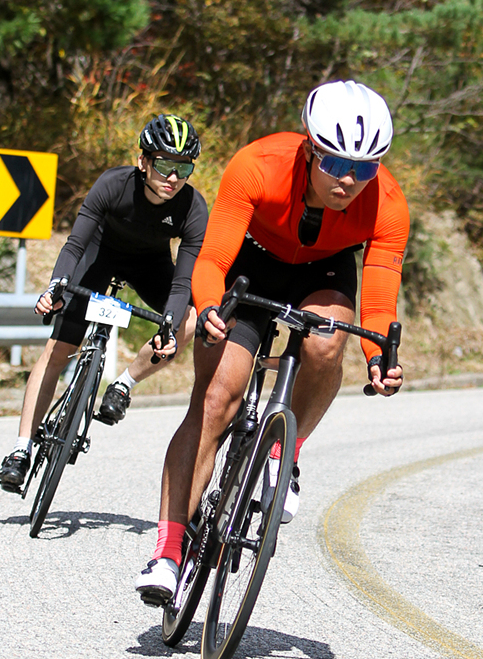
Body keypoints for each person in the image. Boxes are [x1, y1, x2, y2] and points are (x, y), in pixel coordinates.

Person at [135, 80, 409, 606]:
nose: (349, 180)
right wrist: (209, 307)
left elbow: (378, 303)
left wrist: (379, 358)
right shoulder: (257, 165)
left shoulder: (388, 205)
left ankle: (284, 452)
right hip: (250, 264)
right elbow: (212, 259)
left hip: (323, 271)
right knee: (216, 400)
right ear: (310, 149)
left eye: (365, 168)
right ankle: (167, 553)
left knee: (327, 342)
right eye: (337, 163)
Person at [0, 114, 208, 492]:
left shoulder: (192, 207)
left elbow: (181, 282)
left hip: (151, 265)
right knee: (58, 349)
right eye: (164, 165)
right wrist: (55, 288)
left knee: (189, 319)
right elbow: (75, 245)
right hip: (100, 255)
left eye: (184, 167)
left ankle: (124, 384)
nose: (173, 177)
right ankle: (20, 449)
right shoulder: (113, 184)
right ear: (143, 161)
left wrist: (169, 326)